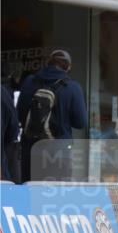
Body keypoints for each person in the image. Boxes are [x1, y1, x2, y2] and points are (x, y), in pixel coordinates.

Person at [15, 49, 88, 181]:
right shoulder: (72, 87)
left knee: (31, 190)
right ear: (68, 67)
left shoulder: (29, 82)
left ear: (48, 63)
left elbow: (19, 114)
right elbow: (80, 123)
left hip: (31, 150)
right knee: (57, 192)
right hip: (60, 152)